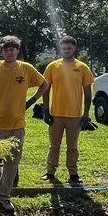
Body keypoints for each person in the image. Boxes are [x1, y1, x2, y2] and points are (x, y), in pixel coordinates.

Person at [0, 35, 50, 211]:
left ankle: (4, 198)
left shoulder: (26, 68)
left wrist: (32, 100)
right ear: (2, 51)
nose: (9, 52)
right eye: (6, 49)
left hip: (17, 125)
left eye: (12, 49)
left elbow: (44, 84)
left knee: (11, 164)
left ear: (17, 51)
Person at [41, 35, 95, 184]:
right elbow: (45, 89)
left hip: (75, 115)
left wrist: (86, 114)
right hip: (56, 114)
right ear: (60, 48)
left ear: (74, 49)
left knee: (72, 147)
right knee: (54, 146)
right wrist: (46, 110)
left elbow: (88, 93)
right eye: (64, 48)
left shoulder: (82, 67)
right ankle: (50, 172)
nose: (66, 50)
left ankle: (73, 173)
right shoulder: (52, 66)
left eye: (69, 48)